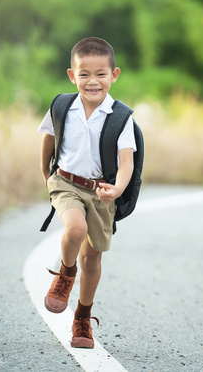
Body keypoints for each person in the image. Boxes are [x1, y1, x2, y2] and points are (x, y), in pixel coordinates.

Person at [38, 37, 136, 348]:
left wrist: (117, 189)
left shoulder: (121, 118)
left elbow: (126, 163)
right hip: (66, 182)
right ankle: (66, 275)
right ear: (72, 75)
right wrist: (45, 173)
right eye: (84, 74)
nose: (92, 82)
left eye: (101, 74)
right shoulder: (62, 106)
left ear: (114, 75)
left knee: (92, 260)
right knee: (75, 228)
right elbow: (49, 139)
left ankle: (82, 316)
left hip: (101, 192)